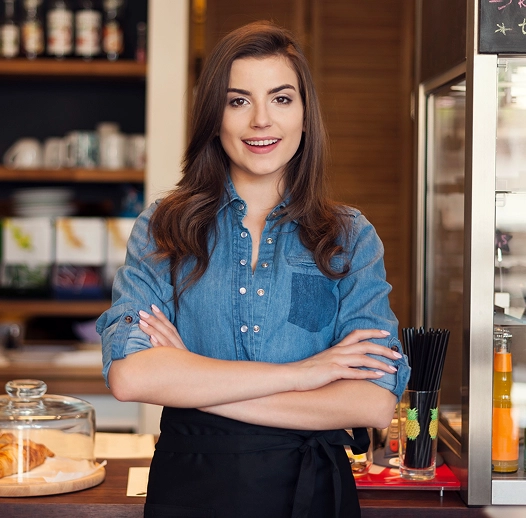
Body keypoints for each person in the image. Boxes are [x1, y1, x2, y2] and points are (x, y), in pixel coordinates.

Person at [97, 20, 410, 518]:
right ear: (214, 118)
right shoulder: (164, 226)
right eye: (238, 100)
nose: (261, 120)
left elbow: (371, 402)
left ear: (305, 117)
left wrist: (195, 386)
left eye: (282, 99)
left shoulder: (350, 237)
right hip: (191, 490)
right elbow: (132, 377)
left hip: (313, 494)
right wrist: (306, 374)